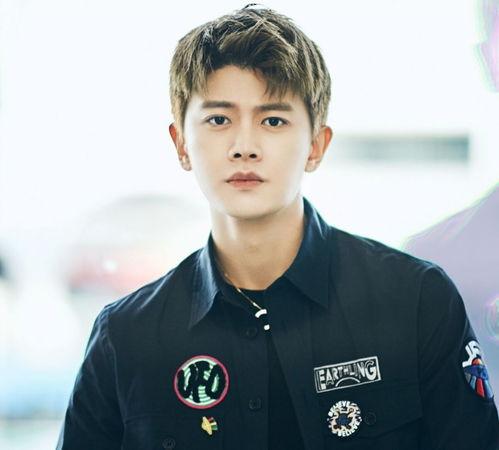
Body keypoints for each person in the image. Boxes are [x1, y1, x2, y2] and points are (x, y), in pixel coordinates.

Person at [56, 4, 499, 450]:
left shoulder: (417, 301)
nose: (244, 147)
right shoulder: (126, 338)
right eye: (219, 119)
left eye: (273, 120)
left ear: (316, 145)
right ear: (181, 144)